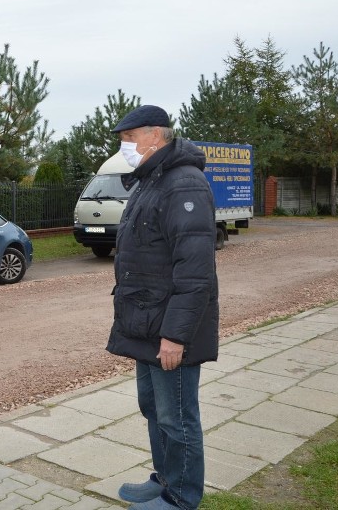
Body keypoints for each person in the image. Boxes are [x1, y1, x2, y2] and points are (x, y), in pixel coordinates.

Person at [106, 105, 219, 510]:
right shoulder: (152, 180)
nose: (125, 147)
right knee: (153, 407)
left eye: (129, 138)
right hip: (146, 321)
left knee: (177, 416)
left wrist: (175, 336)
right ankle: (166, 479)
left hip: (170, 328)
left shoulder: (183, 184)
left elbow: (194, 272)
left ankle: (182, 497)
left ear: (155, 136)